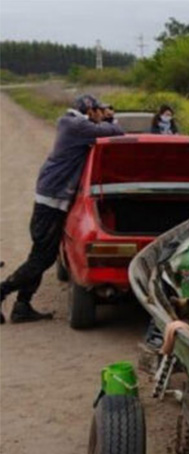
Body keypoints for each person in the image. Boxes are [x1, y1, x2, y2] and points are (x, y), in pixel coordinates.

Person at [0, 94, 124, 324]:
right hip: (51, 202)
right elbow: (116, 133)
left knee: (39, 255)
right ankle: (3, 291)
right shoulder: (76, 125)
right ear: (90, 110)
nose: (102, 113)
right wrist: (112, 120)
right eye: (99, 110)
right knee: (42, 258)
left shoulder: (73, 124)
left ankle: (22, 306)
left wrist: (106, 118)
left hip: (52, 199)